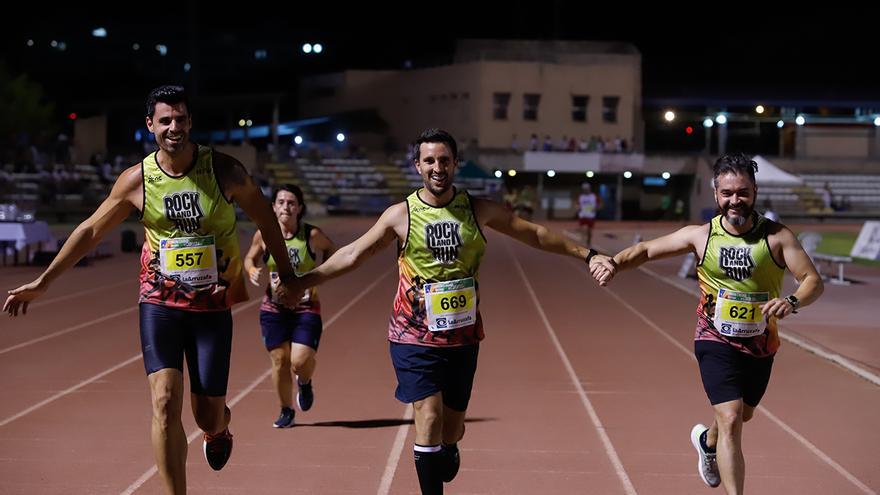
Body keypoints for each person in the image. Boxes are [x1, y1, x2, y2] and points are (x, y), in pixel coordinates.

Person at [4, 85, 300, 495]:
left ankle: (220, 430)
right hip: (159, 304)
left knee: (207, 416)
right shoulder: (137, 179)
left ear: (190, 122)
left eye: (180, 118)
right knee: (163, 402)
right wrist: (44, 281)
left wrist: (287, 274)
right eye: (165, 120)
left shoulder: (224, 171)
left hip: (212, 307)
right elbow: (90, 230)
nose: (174, 126)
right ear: (151, 126)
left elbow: (266, 217)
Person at [291, 128, 615, 494]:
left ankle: (450, 444)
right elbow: (353, 254)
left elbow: (534, 234)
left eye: (444, 160)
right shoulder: (401, 215)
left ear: (455, 163)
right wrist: (302, 281)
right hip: (412, 336)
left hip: (462, 338)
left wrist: (587, 254)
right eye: (429, 160)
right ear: (417, 166)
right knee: (427, 417)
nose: (437, 167)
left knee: (452, 426)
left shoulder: (476, 209)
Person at [589, 152, 823, 494]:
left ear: (754, 192)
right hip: (713, 337)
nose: (735, 201)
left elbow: (812, 281)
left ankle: (706, 442)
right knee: (730, 420)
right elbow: (647, 251)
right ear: (716, 194)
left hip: (761, 343)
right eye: (727, 193)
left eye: (742, 192)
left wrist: (791, 301)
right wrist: (614, 262)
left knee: (742, 414)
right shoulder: (701, 236)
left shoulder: (776, 237)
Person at [243, 184, 336, 428]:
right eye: (281, 202)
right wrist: (252, 269)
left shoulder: (311, 235)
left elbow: (330, 250)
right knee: (280, 360)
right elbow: (250, 257)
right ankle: (286, 410)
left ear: (300, 208)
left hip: (306, 307)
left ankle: (304, 383)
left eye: (291, 202)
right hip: (274, 308)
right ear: (273, 207)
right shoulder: (264, 234)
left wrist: (319, 274)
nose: (286, 206)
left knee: (299, 361)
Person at [577, 182, 600, 247]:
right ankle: (582, 243)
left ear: (589, 189)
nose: (585, 190)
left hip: (591, 216)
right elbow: (577, 204)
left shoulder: (593, 196)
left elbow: (600, 204)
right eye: (584, 189)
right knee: (584, 229)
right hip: (583, 215)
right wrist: (578, 207)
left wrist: (596, 208)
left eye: (587, 189)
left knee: (589, 231)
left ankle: (588, 242)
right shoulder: (581, 197)